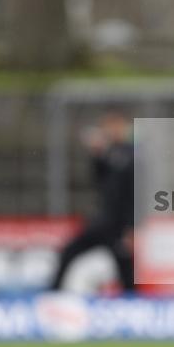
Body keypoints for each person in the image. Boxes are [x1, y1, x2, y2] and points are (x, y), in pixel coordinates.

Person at [50, 110, 136, 293]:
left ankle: (132, 302)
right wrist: (97, 155)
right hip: (103, 222)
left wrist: (131, 227)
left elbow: (132, 194)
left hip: (118, 225)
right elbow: (99, 180)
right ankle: (53, 291)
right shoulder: (110, 154)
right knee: (69, 252)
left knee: (126, 267)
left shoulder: (130, 154)